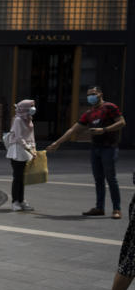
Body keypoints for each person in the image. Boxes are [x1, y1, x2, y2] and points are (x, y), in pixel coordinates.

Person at [47, 85, 125, 219]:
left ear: (100, 94)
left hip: (109, 148)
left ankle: (116, 209)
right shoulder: (89, 114)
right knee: (98, 179)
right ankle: (99, 207)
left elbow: (122, 122)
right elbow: (73, 130)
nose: (91, 97)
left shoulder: (110, 107)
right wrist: (57, 143)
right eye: (89, 95)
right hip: (95, 148)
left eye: (93, 94)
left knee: (111, 178)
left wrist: (104, 130)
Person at [6, 99, 37, 212]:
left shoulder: (28, 119)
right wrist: (29, 149)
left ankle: (21, 200)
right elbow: (19, 137)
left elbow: (31, 136)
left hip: (25, 150)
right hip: (17, 150)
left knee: (22, 177)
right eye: (31, 106)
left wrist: (34, 148)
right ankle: (15, 202)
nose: (33, 108)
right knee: (17, 177)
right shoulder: (18, 120)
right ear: (25, 108)